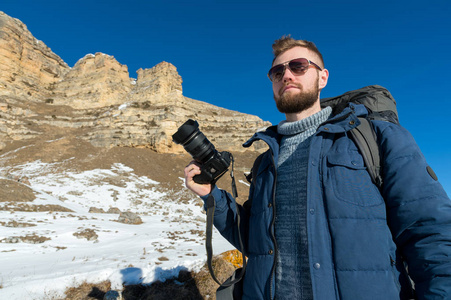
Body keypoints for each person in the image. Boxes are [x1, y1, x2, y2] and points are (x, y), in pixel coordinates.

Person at [184, 35, 451, 300]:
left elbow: (429, 233)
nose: (286, 75)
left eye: (298, 66)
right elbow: (253, 242)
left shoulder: (376, 137)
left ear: (322, 77)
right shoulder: (265, 162)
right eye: (277, 72)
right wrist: (212, 196)